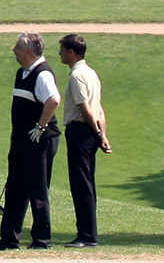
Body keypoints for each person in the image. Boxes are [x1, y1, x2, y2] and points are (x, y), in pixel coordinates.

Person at [0, 32, 60, 250]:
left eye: (17, 47)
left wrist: (41, 126)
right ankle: (8, 240)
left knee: (37, 190)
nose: (14, 50)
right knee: (15, 187)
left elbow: (53, 100)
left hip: (39, 141)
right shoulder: (22, 73)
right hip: (22, 142)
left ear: (28, 51)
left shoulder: (42, 74)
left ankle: (42, 240)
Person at [59, 34, 111, 248]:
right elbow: (99, 109)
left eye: (62, 50)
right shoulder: (91, 73)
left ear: (72, 52)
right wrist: (102, 134)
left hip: (81, 131)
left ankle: (87, 235)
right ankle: (88, 232)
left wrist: (98, 134)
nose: (60, 54)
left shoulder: (77, 76)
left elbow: (86, 109)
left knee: (81, 184)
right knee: (86, 182)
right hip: (91, 131)